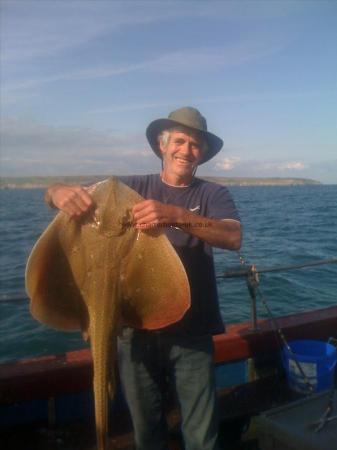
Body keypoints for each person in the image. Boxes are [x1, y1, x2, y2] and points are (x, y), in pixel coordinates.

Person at [45, 106, 242, 450]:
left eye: (196, 145)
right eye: (179, 141)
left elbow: (232, 236)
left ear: (204, 154)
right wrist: (58, 191)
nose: (186, 150)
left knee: (201, 433)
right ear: (162, 145)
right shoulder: (131, 188)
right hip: (133, 327)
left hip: (193, 331)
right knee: (146, 431)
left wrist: (175, 215)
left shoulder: (212, 194)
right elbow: (63, 197)